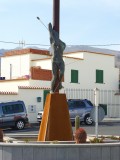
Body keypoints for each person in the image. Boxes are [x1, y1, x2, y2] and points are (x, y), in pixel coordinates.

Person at [48, 23, 66, 92]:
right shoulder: (53, 43)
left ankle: (60, 84)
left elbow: (64, 45)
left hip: (60, 61)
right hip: (54, 61)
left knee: (61, 73)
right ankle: (52, 89)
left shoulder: (62, 44)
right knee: (54, 76)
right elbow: (50, 33)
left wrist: (59, 43)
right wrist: (50, 27)